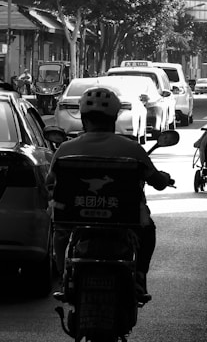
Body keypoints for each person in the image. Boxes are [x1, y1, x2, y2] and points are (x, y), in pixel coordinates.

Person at [46, 86, 172, 303]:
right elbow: (157, 181)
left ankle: (62, 274)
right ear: (114, 117)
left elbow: (50, 183)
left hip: (75, 218)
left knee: (58, 230)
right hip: (124, 220)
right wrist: (164, 179)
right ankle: (139, 277)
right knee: (148, 231)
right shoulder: (132, 149)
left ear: (84, 118)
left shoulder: (66, 149)